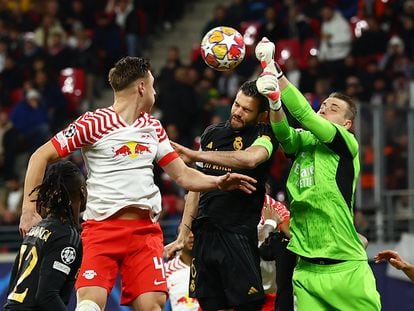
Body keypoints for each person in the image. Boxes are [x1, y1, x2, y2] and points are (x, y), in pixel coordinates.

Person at [18, 56, 257, 311]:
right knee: (88, 305)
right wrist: (28, 210)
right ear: (142, 87)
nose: (155, 92)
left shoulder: (153, 127)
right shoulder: (93, 123)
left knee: (152, 306)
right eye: (153, 86)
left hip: (145, 233)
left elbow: (183, 175)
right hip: (101, 230)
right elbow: (40, 156)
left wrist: (219, 181)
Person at [254, 37, 381, 310]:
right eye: (322, 105)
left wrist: (274, 70)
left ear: (347, 124)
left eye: (332, 109)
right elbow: (285, 134)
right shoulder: (305, 141)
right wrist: (275, 103)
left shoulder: (346, 144)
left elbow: (304, 115)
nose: (323, 109)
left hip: (346, 269)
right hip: (307, 272)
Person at [166, 80, 278, 310]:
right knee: (211, 305)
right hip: (204, 237)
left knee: (248, 305)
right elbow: (195, 188)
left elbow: (249, 159)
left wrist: (195, 155)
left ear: (261, 115)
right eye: (236, 104)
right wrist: (182, 233)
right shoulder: (212, 134)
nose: (237, 112)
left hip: (237, 235)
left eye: (246, 109)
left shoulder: (264, 134)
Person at [4, 161, 86, 310]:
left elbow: (13, 284)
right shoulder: (67, 236)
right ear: (82, 192)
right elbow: (47, 296)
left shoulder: (35, 230)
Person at [164, 230, 201, 311]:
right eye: (187, 231)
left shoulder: (213, 267)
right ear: (178, 237)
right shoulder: (166, 271)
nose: (191, 235)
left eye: (195, 231)